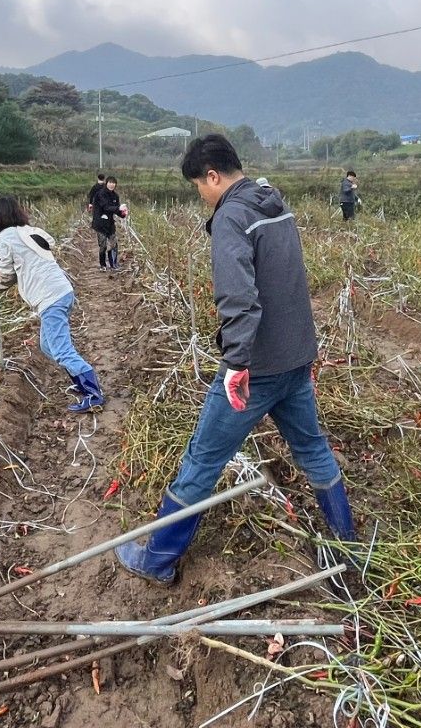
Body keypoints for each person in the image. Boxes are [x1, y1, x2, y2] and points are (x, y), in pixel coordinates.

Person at [117, 135, 356, 586]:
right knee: (313, 450)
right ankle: (349, 546)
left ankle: (158, 560)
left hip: (258, 366)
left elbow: (238, 299)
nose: (201, 197)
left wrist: (236, 366)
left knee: (202, 459)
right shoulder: (274, 204)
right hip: (296, 358)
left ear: (213, 176)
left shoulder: (231, 216)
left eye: (198, 187)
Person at [0, 195, 105, 412]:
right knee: (47, 346)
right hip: (62, 291)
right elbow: (39, 252)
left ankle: (93, 393)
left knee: (61, 350)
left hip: (49, 298)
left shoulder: (4, 238)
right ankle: (80, 382)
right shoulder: (29, 231)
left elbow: (5, 275)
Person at [91, 175, 128, 271]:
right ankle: (103, 265)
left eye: (113, 183)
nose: (112, 185)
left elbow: (116, 210)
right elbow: (105, 207)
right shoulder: (100, 194)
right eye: (110, 182)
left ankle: (113, 264)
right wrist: (118, 208)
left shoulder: (115, 196)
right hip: (100, 223)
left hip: (110, 223)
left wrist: (123, 213)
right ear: (106, 183)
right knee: (103, 245)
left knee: (114, 243)